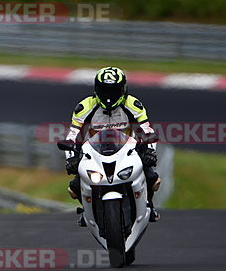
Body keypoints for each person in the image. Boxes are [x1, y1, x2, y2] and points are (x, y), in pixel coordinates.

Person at [64, 67, 161, 223]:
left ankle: (149, 205)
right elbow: (72, 136)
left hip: (128, 150)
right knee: (74, 188)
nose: (109, 96)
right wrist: (71, 158)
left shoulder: (133, 104)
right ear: (96, 89)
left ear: (123, 89)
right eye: (105, 90)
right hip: (94, 152)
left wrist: (150, 151)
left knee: (152, 178)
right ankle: (87, 212)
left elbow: (148, 131)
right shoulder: (85, 106)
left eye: (114, 91)